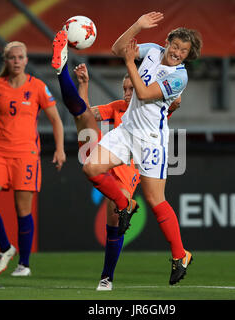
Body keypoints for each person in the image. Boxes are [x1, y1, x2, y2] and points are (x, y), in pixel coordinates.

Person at [52, 11, 202, 285]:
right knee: (91, 167)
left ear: (187, 56)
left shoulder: (179, 78)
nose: (177, 52)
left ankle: (180, 255)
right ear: (167, 41)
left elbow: (143, 94)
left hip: (150, 140)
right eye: (175, 45)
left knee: (157, 201)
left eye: (184, 50)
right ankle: (125, 204)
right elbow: (116, 48)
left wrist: (130, 61)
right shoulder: (154, 50)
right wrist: (138, 26)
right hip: (127, 131)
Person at [73, 63, 181, 290]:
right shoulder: (118, 106)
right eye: (125, 89)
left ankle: (107, 277)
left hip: (128, 166)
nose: (127, 93)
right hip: (109, 153)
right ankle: (126, 205)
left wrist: (170, 88)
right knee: (85, 131)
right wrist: (83, 84)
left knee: (113, 219)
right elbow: (85, 113)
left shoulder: (152, 106)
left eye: (132, 88)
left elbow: (176, 102)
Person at [0, 41, 66, 277]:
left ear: (26, 60)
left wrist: (60, 149)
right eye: (12, 57)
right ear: (6, 61)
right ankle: (5, 248)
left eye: (20, 57)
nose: (16, 61)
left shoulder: (37, 87)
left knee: (22, 210)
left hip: (26, 155)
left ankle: (24, 264)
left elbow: (56, 120)